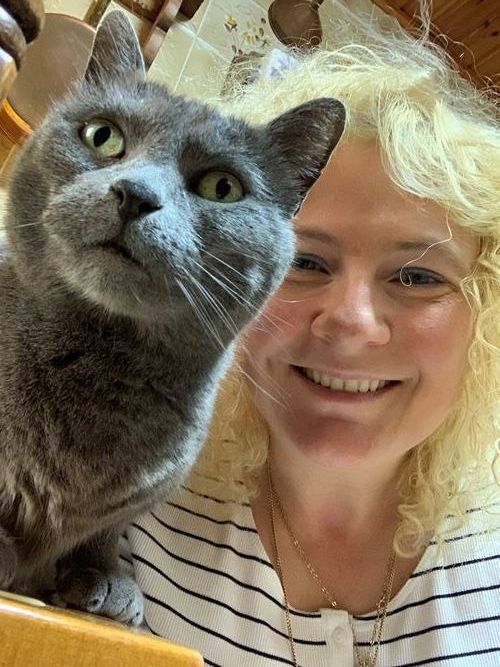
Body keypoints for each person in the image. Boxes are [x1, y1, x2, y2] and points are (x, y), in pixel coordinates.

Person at [122, 3, 500, 666]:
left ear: (484, 313)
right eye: (303, 262)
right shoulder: (132, 518)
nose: (351, 319)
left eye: (416, 276)